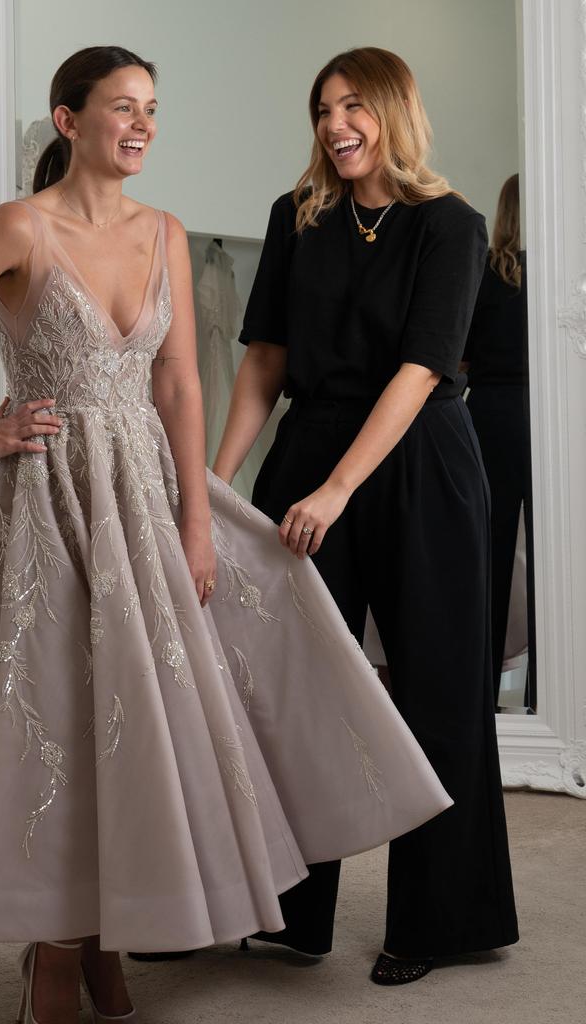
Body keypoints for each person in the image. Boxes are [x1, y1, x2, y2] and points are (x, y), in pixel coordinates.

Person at [0, 46, 452, 1022]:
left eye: (152, 109)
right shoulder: (21, 226)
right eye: (121, 108)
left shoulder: (166, 232)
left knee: (137, 718)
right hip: (49, 500)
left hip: (142, 494)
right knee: (58, 715)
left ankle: (105, 944)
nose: (142, 125)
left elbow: (180, 383)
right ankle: (54, 955)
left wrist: (197, 519)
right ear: (69, 122)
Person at [213, 46, 519, 984]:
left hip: (420, 456)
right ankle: (287, 910)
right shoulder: (297, 217)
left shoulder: (453, 225)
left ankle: (439, 921)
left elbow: (422, 368)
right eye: (322, 109)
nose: (336, 124)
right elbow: (265, 358)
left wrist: (339, 490)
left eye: (354, 106)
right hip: (311, 447)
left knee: (437, 688)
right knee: (291, 684)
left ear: (392, 112)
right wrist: (217, 486)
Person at [463, 173, 535, 709]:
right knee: (552, 557)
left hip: (488, 414)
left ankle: (482, 690)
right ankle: (549, 694)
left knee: (489, 556)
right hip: (544, 415)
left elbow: (459, 358)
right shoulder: (560, 276)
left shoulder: (485, 271)